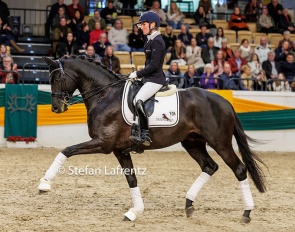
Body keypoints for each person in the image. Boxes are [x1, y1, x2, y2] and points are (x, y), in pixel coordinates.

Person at [128, 11, 166, 146]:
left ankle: (145, 133)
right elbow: (143, 37)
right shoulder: (151, 39)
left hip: (155, 79)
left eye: (144, 24)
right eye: (141, 24)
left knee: (138, 99)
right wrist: (140, 25)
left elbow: (155, 65)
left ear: (153, 24)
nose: (142, 27)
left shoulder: (158, 42)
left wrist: (137, 74)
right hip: (149, 78)